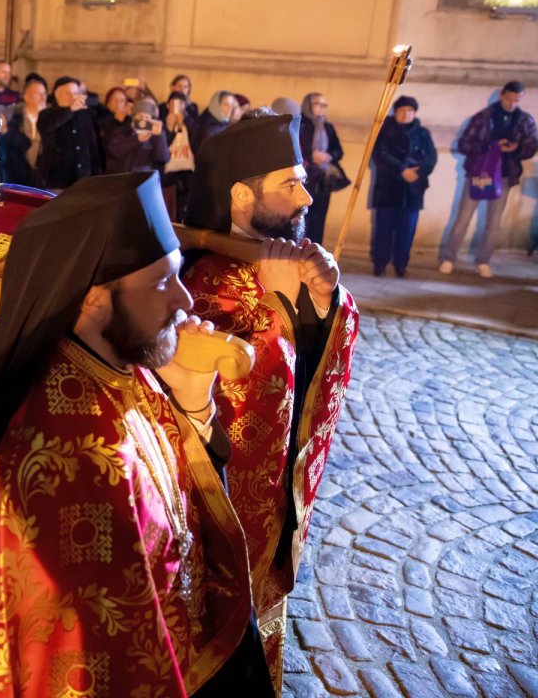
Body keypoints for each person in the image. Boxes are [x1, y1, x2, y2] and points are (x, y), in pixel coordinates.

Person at [0, 172, 274, 697]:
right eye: (160, 282)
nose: (185, 300)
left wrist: (194, 399)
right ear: (91, 300)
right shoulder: (54, 460)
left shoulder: (122, 361)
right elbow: (78, 663)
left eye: (178, 276)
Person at [180, 113, 358, 688]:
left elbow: (313, 368)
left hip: (276, 490)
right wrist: (281, 305)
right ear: (239, 194)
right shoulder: (201, 281)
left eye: (303, 179)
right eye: (290, 183)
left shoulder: (299, 257)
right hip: (217, 506)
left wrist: (325, 298)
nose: (307, 195)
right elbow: (228, 386)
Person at [440, 80, 538, 278]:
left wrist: (515, 148)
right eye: (509, 99)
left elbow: (531, 146)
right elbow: (464, 144)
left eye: (516, 100)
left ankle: (483, 260)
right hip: (479, 173)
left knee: (494, 222)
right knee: (463, 219)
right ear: (502, 95)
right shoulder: (483, 117)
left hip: (504, 175)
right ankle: (449, 258)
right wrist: (491, 146)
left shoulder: (524, 120)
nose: (512, 104)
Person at [369, 96, 437, 277]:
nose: (406, 114)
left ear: (414, 113)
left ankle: (401, 264)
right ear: (395, 112)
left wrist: (418, 171)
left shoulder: (423, 133)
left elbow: (431, 158)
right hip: (388, 189)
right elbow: (379, 156)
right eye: (402, 110)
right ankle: (380, 263)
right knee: (383, 230)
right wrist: (401, 170)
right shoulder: (384, 130)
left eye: (410, 111)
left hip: (412, 191)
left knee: (407, 230)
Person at [298, 92, 349, 245]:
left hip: (323, 179)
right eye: (318, 104)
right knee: (302, 218)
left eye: (324, 105)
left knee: (319, 219)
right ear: (308, 105)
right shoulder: (301, 124)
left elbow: (338, 150)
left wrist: (329, 156)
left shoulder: (327, 127)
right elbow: (296, 148)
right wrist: (311, 155)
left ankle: (315, 250)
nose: (322, 108)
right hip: (305, 178)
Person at [36, 76, 101, 190]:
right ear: (57, 94)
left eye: (75, 93)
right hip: (57, 181)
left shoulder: (85, 114)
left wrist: (97, 173)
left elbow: (93, 144)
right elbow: (46, 128)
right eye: (68, 93)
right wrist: (69, 110)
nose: (72, 97)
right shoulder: (47, 114)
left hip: (83, 180)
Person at [103, 97, 170, 175]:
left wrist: (159, 136)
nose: (143, 120)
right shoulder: (121, 131)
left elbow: (162, 158)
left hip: (142, 180)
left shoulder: (154, 136)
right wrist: (137, 140)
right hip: (119, 178)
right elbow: (114, 150)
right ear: (133, 117)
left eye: (147, 117)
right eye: (140, 116)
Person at [0, 78, 46, 185]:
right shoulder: (13, 116)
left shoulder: (52, 118)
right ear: (26, 96)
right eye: (38, 94)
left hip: (44, 176)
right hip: (19, 173)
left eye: (44, 94)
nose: (43, 97)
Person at [162, 90, 195, 221]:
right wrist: (169, 128)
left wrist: (183, 122)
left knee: (185, 202)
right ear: (167, 105)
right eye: (174, 103)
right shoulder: (161, 122)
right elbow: (162, 146)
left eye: (181, 103)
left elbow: (196, 142)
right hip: (169, 170)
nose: (178, 106)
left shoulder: (191, 121)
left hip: (187, 169)